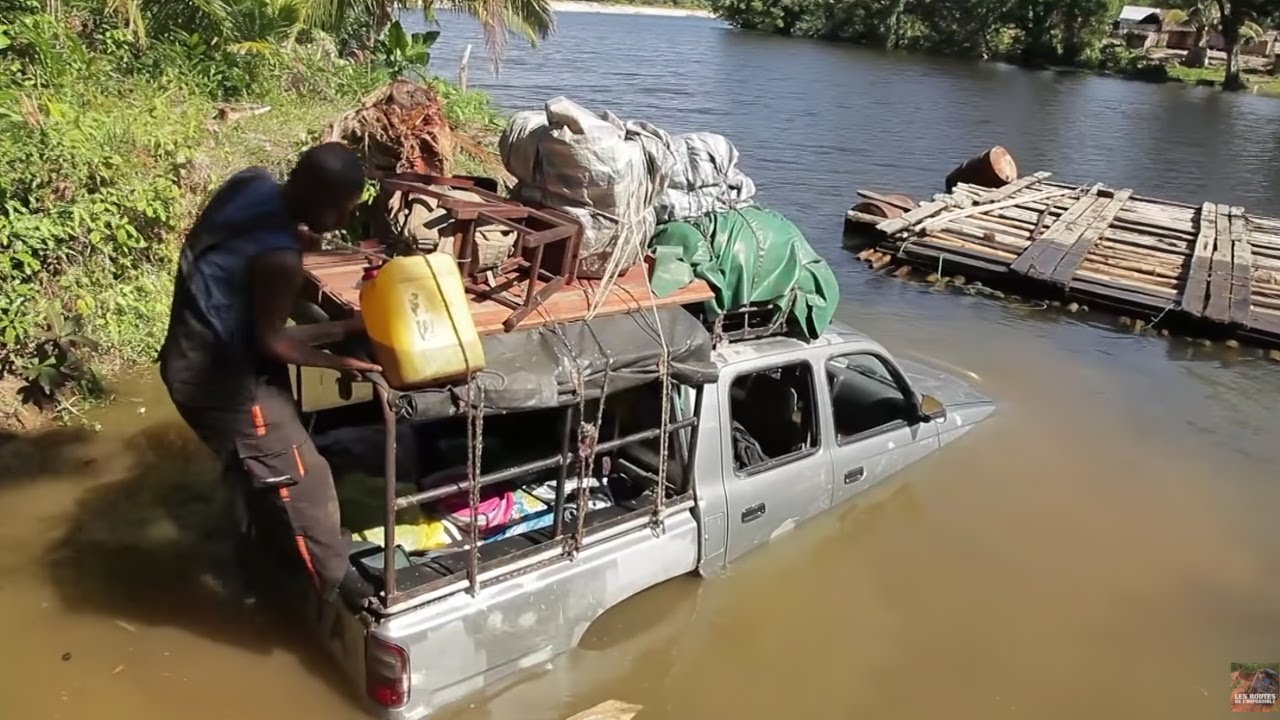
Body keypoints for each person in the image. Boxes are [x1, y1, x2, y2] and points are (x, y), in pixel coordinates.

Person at [158, 142, 381, 605]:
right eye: (342, 209)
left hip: (189, 347)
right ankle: (341, 586)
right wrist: (343, 354)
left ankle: (258, 535)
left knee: (262, 461)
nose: (342, 222)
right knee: (305, 476)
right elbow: (274, 342)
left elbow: (239, 243)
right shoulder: (279, 260)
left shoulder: (251, 182)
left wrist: (295, 241)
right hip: (221, 379)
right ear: (320, 199)